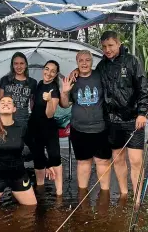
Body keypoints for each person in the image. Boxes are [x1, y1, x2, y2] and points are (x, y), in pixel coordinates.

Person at [71, 31, 148, 204]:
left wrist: (142, 113)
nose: (107, 50)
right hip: (112, 121)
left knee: (135, 160)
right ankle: (123, 193)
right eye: (104, 46)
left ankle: (137, 198)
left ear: (119, 43)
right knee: (118, 159)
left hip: (133, 119)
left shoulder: (132, 61)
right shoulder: (102, 66)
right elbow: (88, 74)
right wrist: (76, 70)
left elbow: (143, 88)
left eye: (111, 45)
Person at [60, 50, 112, 191]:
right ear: (76, 62)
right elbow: (65, 104)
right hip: (79, 129)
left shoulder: (100, 75)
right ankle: (83, 197)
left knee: (103, 162)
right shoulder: (72, 79)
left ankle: (105, 195)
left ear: (92, 61)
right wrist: (64, 92)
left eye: (87, 60)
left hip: (101, 128)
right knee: (83, 163)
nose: (84, 63)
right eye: (81, 60)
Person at [28, 60, 63, 195]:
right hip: (35, 126)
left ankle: (59, 192)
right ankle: (40, 187)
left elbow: (50, 114)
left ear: (55, 75)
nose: (48, 73)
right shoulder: (39, 84)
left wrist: (48, 100)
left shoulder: (54, 90)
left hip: (48, 128)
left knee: (55, 157)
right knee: (38, 157)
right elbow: (33, 105)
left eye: (52, 71)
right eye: (47, 69)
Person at [0, 52, 37, 126]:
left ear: (26, 65)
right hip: (5, 120)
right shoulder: (5, 80)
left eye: (21, 63)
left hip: (23, 121)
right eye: (16, 63)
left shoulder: (32, 82)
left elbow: (32, 104)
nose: (19, 66)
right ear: (12, 65)